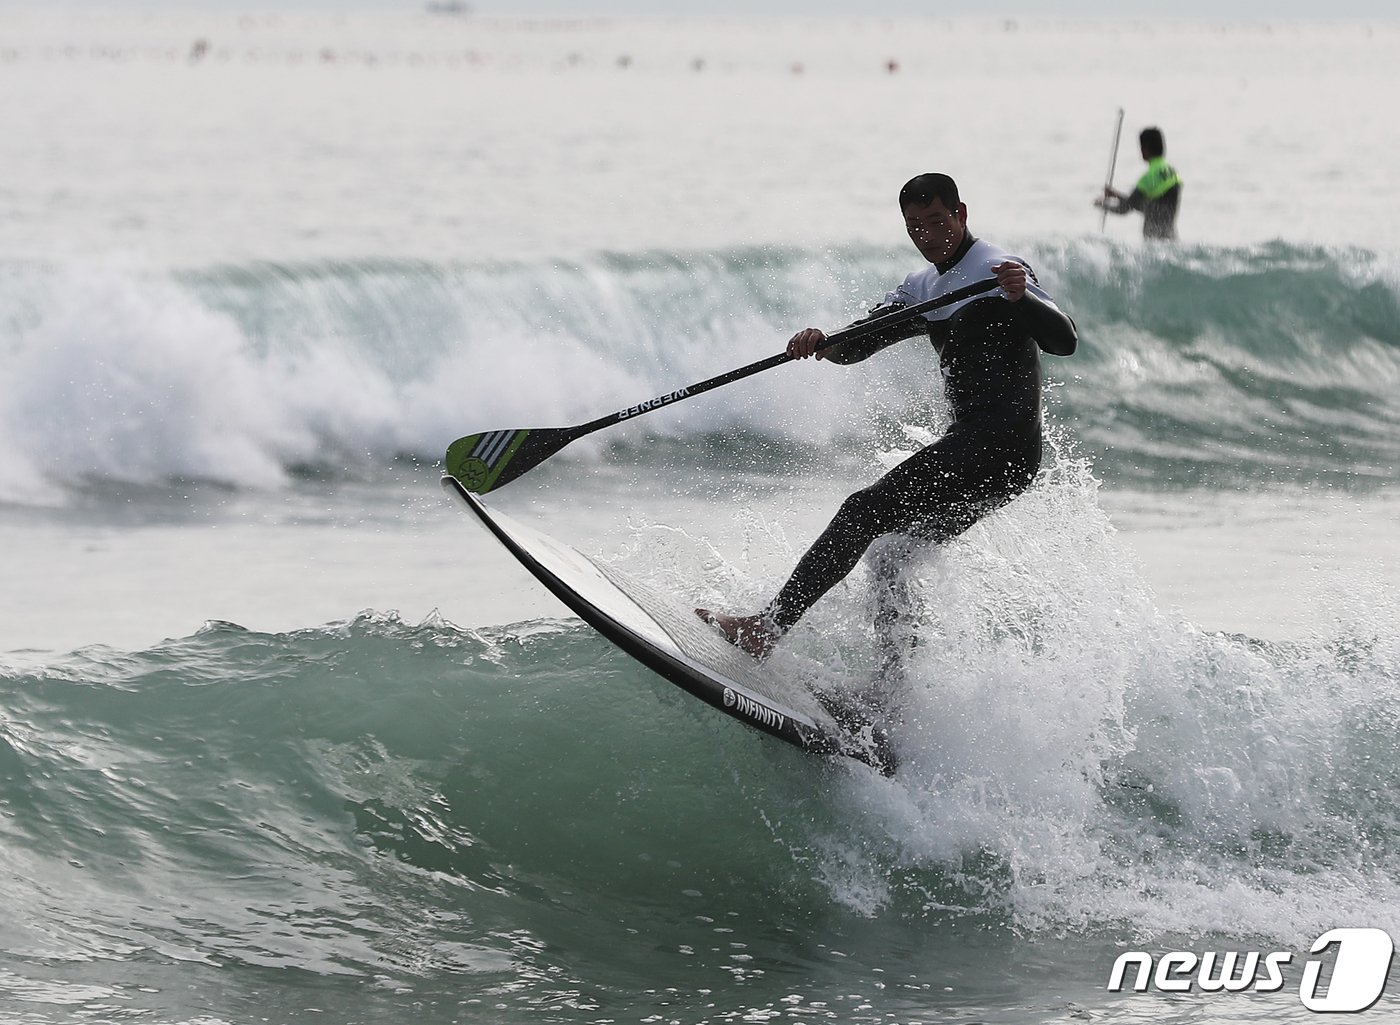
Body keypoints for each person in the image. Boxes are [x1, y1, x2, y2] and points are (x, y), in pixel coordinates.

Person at [695, 172, 1077, 670]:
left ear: (961, 215)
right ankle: (893, 699)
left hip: (1001, 446)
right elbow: (860, 343)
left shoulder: (999, 270)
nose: (927, 235)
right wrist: (823, 343)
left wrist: (1019, 297)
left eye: (937, 221)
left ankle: (766, 630)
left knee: (862, 512)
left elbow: (1064, 340)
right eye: (914, 225)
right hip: (980, 450)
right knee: (891, 557)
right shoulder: (922, 288)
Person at [1096, 126, 1182, 240]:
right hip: (1171, 239)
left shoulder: (1148, 178)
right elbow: (1150, 209)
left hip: (1153, 243)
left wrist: (1102, 205)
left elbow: (1124, 209)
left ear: (1144, 149)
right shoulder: (1172, 173)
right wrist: (1116, 195)